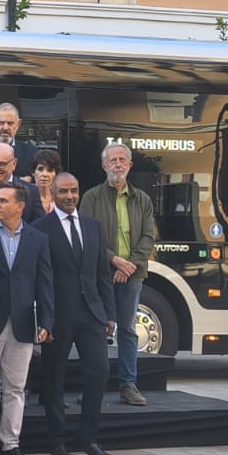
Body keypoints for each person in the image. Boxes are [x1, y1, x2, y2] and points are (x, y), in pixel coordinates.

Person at [0, 181, 54, 455]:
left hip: (23, 321)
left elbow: (44, 282)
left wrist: (46, 320)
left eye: (4, 201)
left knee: (16, 387)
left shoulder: (38, 239)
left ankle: (11, 444)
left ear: (20, 206)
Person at [35, 172, 118, 455]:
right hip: (58, 315)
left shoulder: (93, 226)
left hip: (92, 313)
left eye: (74, 190)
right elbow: (40, 278)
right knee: (54, 377)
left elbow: (102, 273)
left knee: (99, 372)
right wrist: (44, 319)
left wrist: (109, 313)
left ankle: (89, 438)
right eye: (63, 191)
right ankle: (57, 440)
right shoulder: (40, 229)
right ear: (52, 193)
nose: (69, 196)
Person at [81, 143, 157, 407]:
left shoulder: (143, 199)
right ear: (104, 166)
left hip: (132, 275)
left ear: (130, 165)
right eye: (112, 160)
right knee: (96, 330)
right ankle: (93, 388)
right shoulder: (91, 197)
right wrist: (113, 260)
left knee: (127, 330)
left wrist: (129, 265)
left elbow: (149, 236)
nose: (117, 164)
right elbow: (86, 236)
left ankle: (128, 385)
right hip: (99, 273)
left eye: (122, 160)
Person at [32, 148, 62, 218]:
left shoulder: (60, 198)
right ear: (33, 172)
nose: (45, 174)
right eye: (40, 169)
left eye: (50, 170)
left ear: (56, 174)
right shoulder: (25, 196)